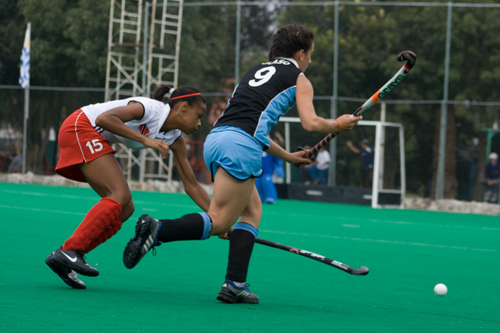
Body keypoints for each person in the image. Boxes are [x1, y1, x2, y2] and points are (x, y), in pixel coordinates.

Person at [122, 23, 361, 304]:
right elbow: (310, 123)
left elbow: (253, 126)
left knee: (252, 210)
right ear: (300, 53)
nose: (310, 60)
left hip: (218, 140)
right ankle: (158, 229)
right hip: (240, 146)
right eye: (310, 54)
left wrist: (287, 156)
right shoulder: (299, 79)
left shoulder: (253, 73)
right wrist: (338, 124)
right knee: (221, 220)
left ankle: (234, 284)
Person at [45, 85, 211, 289]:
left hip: (93, 136)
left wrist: (219, 218)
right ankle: (69, 251)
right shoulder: (149, 108)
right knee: (119, 194)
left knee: (126, 209)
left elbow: (192, 185)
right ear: (184, 107)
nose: (199, 123)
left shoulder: (175, 140)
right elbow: (103, 119)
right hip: (81, 126)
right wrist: (145, 140)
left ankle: (71, 255)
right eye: (199, 115)